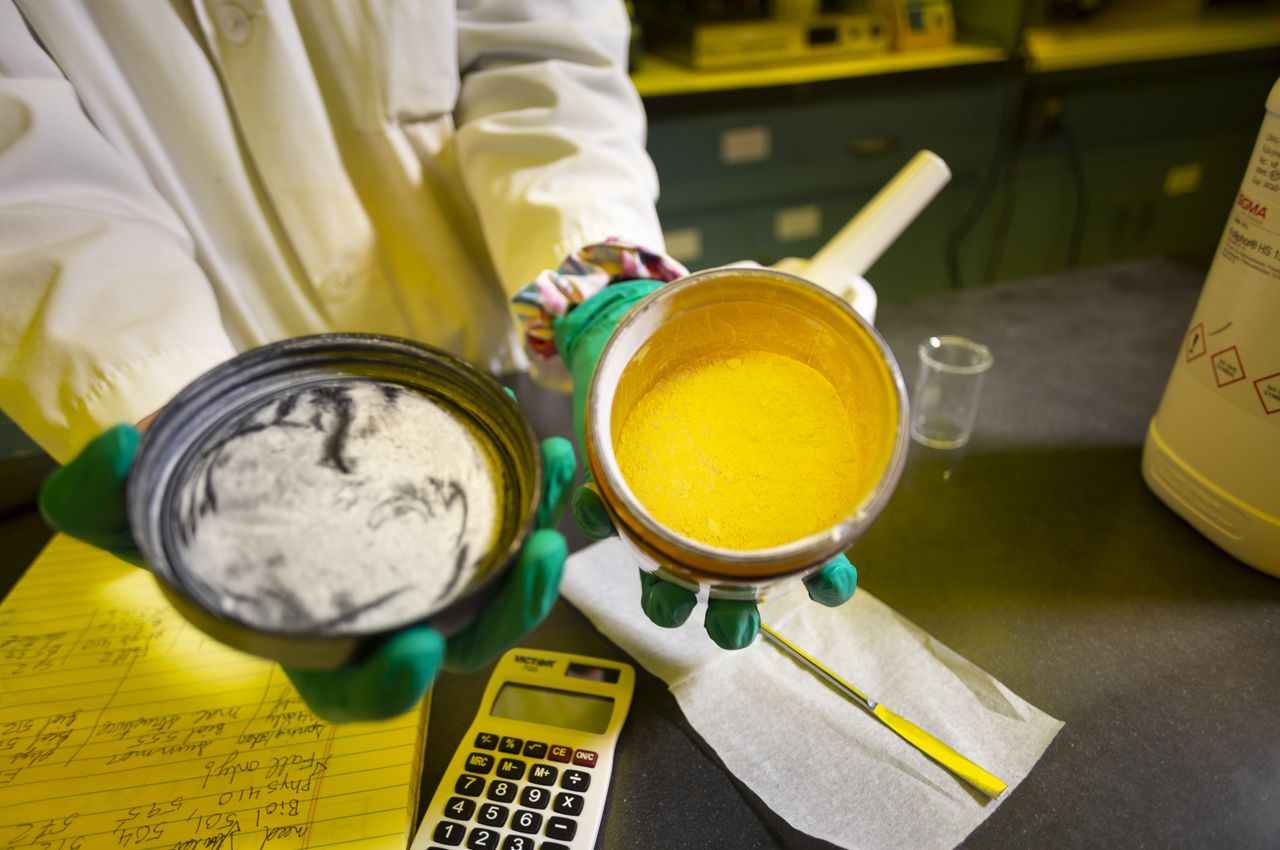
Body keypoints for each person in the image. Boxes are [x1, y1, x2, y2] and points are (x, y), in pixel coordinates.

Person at [0, 0, 856, 722]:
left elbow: (541, 56)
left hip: (500, 376)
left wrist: (596, 287)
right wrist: (170, 407)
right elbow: (24, 176)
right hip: (228, 385)